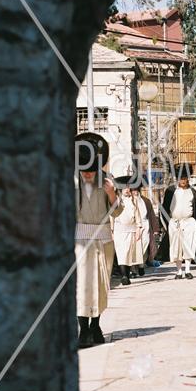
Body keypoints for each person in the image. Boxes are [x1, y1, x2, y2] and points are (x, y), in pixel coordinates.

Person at [75, 132, 123, 348]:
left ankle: (96, 325)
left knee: (101, 285)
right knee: (82, 286)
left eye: (91, 170)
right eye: (84, 171)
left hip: (103, 241)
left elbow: (118, 212)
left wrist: (112, 194)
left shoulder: (107, 181)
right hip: (79, 242)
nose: (87, 175)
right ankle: (83, 329)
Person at [161, 163, 196, 280]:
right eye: (180, 179)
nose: (183, 181)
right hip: (175, 223)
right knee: (176, 247)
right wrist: (165, 225)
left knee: (189, 246)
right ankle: (179, 271)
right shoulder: (170, 191)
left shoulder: (193, 192)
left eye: (184, 178)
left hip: (189, 222)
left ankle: (188, 270)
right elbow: (164, 209)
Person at [112, 176, 142, 286]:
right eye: (125, 188)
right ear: (120, 190)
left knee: (129, 253)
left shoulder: (133, 201)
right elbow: (112, 217)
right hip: (119, 230)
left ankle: (127, 275)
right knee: (121, 253)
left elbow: (137, 215)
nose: (127, 190)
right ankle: (124, 276)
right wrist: (111, 230)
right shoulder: (116, 201)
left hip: (131, 230)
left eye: (128, 188)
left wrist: (139, 228)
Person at [130, 183, 159, 278]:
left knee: (145, 246)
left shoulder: (145, 201)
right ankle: (134, 269)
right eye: (133, 190)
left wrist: (155, 229)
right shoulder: (128, 201)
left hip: (145, 226)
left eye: (136, 190)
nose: (134, 192)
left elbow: (151, 215)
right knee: (134, 249)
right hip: (133, 227)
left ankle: (141, 264)